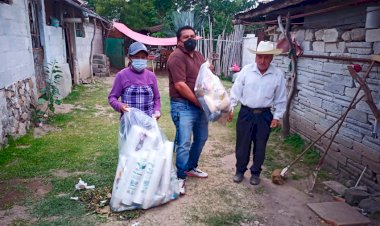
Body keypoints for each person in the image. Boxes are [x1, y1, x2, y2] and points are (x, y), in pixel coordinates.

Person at [228, 41, 287, 185]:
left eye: (267, 58)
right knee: (242, 145)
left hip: (264, 115)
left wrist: (277, 116)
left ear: (272, 58)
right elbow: (236, 91)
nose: (263, 61)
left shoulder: (277, 75)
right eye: (260, 57)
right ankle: (240, 171)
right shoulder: (247, 71)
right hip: (246, 113)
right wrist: (231, 107)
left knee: (260, 146)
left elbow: (281, 98)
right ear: (256, 57)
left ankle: (256, 172)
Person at [167, 26, 208, 195]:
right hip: (183, 105)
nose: (190, 39)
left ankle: (191, 167)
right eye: (185, 37)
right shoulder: (176, 57)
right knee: (184, 142)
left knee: (201, 138)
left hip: (199, 103)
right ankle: (180, 176)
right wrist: (199, 103)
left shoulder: (198, 56)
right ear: (179, 41)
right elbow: (180, 85)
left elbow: (205, 76)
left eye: (192, 36)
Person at [108, 42, 161, 119]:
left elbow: (156, 98)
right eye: (136, 57)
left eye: (143, 57)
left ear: (147, 58)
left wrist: (157, 111)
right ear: (130, 58)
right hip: (129, 122)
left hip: (148, 121)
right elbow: (112, 97)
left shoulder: (151, 76)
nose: (140, 59)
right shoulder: (122, 75)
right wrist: (120, 106)